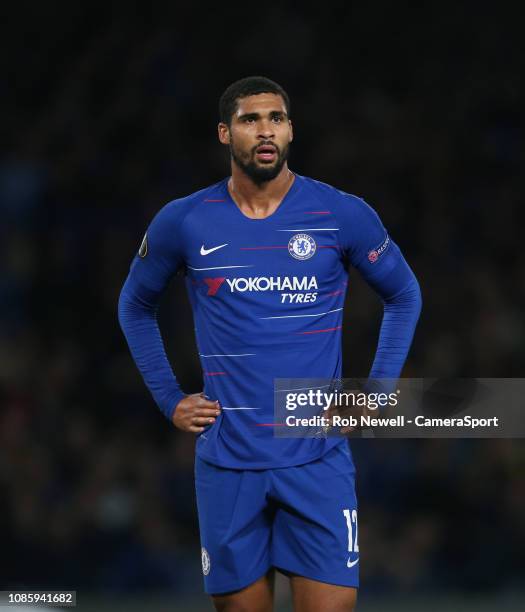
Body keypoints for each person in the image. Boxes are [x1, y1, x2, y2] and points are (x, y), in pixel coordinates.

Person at [118, 76, 422, 612]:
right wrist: (170, 398)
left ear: (290, 131)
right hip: (229, 464)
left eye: (276, 119)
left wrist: (376, 391)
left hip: (316, 460)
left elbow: (404, 295)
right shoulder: (185, 221)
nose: (265, 130)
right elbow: (134, 306)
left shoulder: (340, 213)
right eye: (250, 119)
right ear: (223, 133)